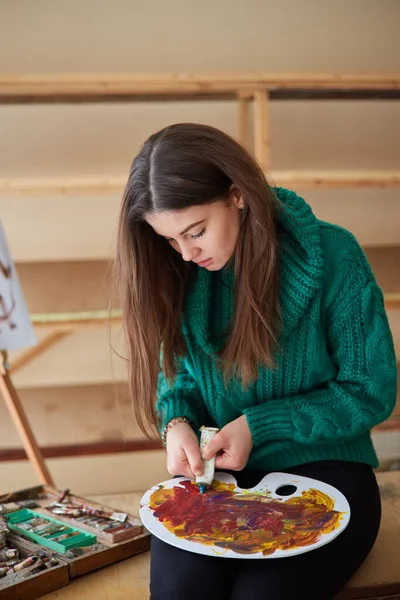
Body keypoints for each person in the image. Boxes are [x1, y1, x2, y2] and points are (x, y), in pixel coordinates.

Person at [114, 123, 397, 600]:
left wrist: (259, 427)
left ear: (239, 194)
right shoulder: (179, 269)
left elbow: (370, 390)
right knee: (181, 591)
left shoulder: (334, 256)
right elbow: (178, 378)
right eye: (169, 240)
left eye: (196, 231)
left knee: (261, 596)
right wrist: (177, 422)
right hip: (220, 479)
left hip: (330, 471)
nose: (186, 253)